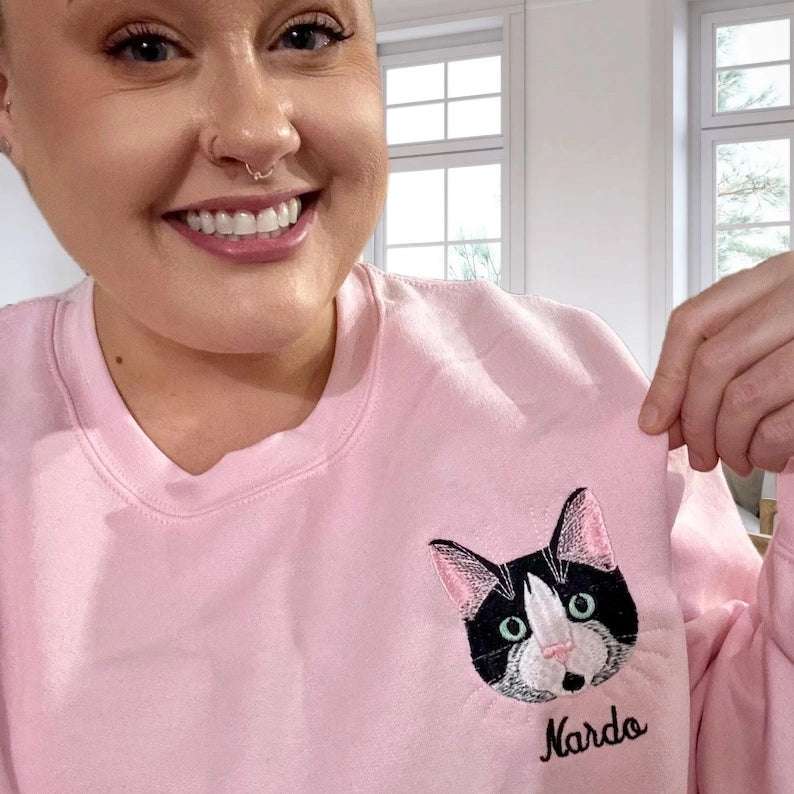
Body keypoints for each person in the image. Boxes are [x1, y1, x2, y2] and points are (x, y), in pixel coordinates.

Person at [0, 1, 790, 792]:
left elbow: (737, 747)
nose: (258, 130)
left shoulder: (573, 384)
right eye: (145, 48)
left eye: (306, 35)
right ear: (8, 98)